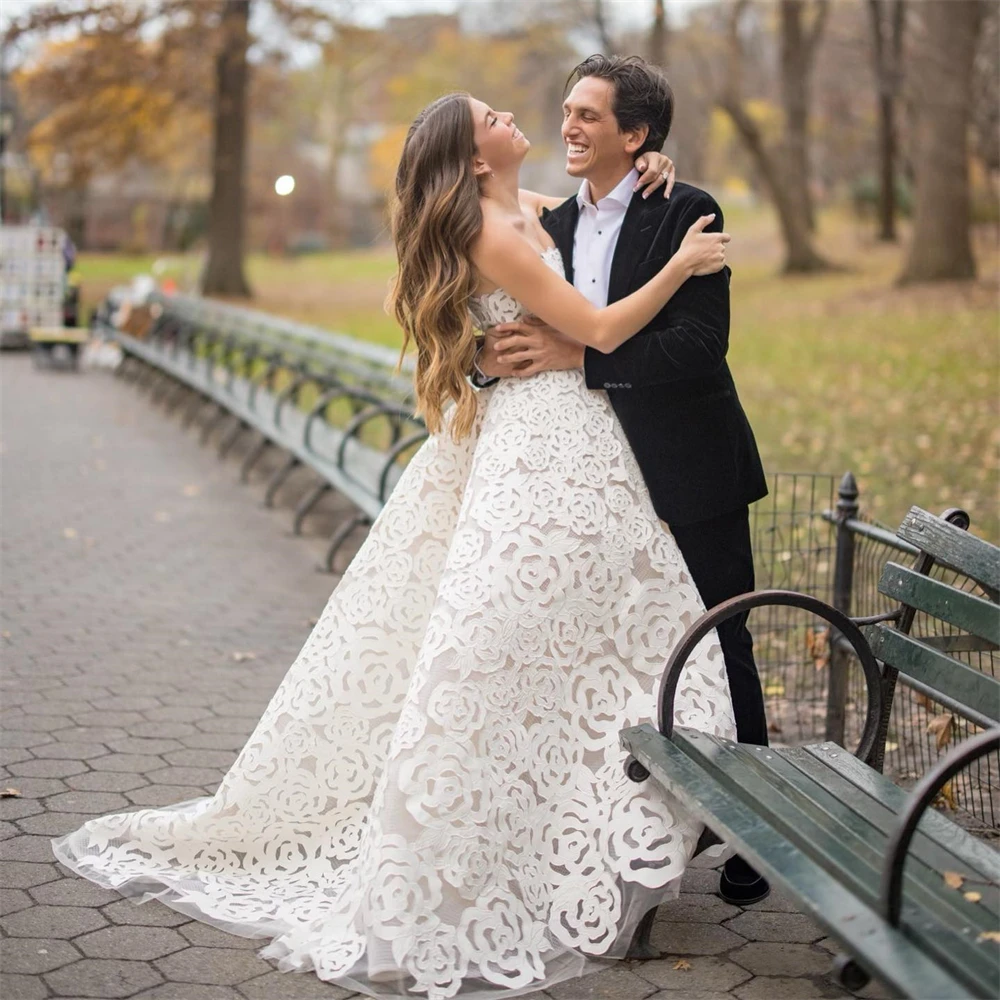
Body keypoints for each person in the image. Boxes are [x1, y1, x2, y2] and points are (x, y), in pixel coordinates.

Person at [51, 90, 735, 1000]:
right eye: (495, 116)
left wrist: (652, 173)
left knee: (586, 646)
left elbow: (590, 217)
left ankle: (575, 820)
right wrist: (685, 261)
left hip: (573, 438)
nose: (516, 118)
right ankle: (497, 845)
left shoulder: (527, 212)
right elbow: (601, 329)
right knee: (516, 645)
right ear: (478, 155)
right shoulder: (494, 237)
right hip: (541, 441)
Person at [476, 54, 771, 909]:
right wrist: (481, 361)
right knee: (617, 654)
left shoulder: (687, 209)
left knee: (729, 636)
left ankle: (752, 836)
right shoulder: (551, 223)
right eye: (565, 111)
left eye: (588, 117)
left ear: (635, 136)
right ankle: (621, 827)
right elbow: (497, 315)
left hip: (691, 462)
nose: (568, 127)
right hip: (592, 481)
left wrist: (585, 355)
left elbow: (696, 345)